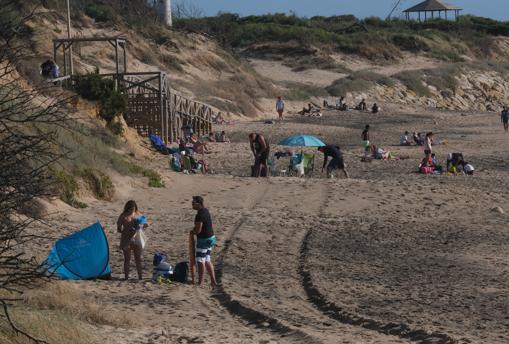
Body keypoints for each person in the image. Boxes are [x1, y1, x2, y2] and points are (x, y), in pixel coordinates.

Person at [117, 200, 148, 280]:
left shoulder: (138, 214)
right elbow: (119, 229)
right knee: (127, 259)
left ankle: (140, 277)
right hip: (126, 239)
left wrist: (142, 226)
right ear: (127, 208)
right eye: (130, 209)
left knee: (138, 258)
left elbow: (145, 225)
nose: (132, 211)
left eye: (133, 209)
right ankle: (126, 277)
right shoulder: (123, 216)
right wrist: (126, 230)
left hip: (136, 238)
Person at [190, 196, 217, 287]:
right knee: (207, 259)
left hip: (204, 240)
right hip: (211, 238)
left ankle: (200, 282)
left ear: (198, 204)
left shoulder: (199, 215)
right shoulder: (206, 210)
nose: (192, 205)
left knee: (200, 260)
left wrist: (192, 232)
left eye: (193, 203)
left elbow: (198, 230)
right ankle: (213, 281)